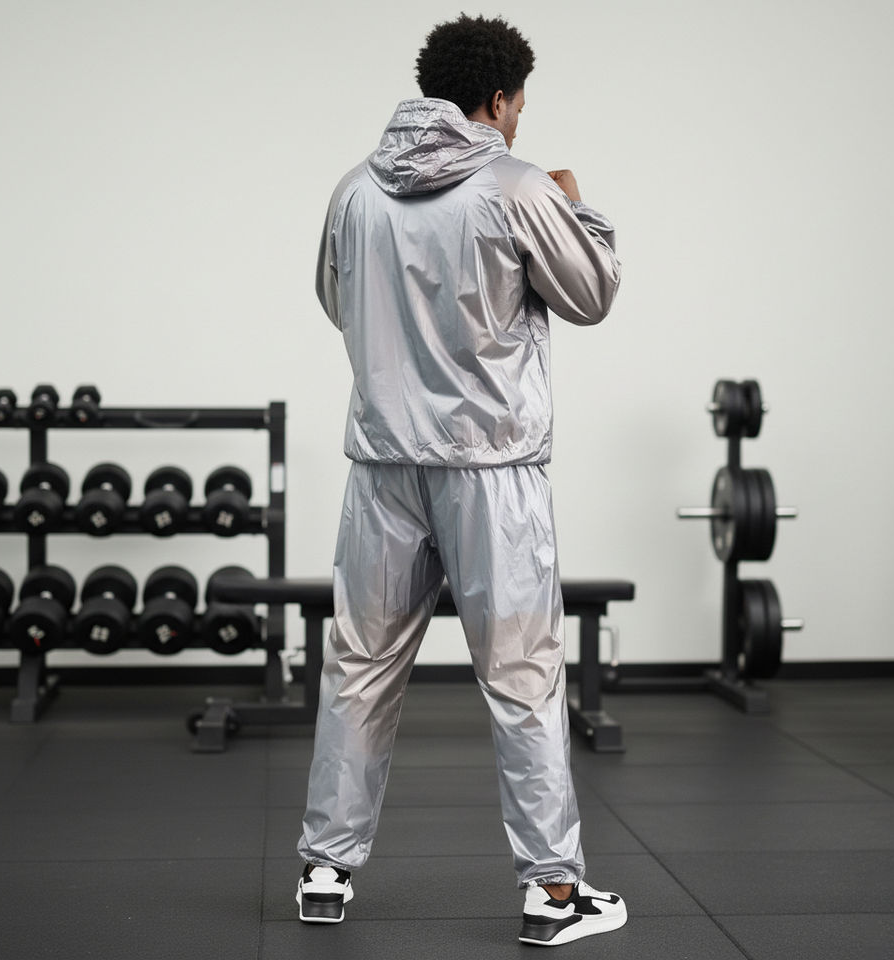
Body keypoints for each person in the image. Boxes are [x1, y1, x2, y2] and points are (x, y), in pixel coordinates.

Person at [296, 13, 625, 947]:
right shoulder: (520, 186)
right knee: (523, 674)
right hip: (492, 473)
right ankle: (551, 891)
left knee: (358, 666)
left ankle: (325, 870)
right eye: (519, 104)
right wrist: (578, 207)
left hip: (384, 468)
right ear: (497, 98)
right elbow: (593, 293)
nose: (520, 120)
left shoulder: (355, 188)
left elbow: (335, 300)